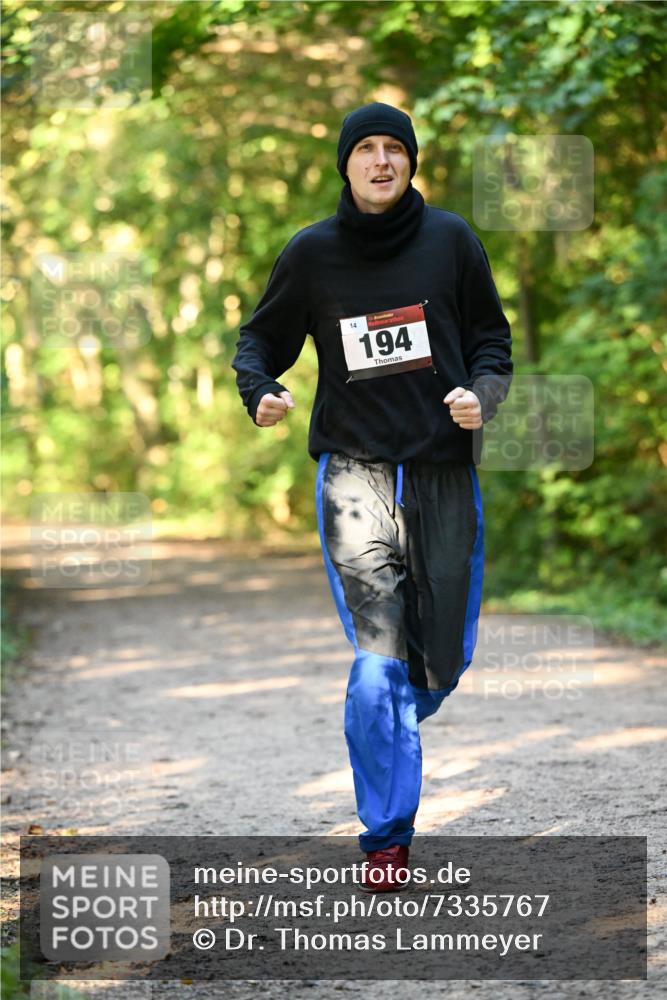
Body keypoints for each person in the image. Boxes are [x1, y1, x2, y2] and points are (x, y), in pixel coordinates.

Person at [232, 102, 513, 893]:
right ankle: (385, 839)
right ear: (346, 163)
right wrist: (260, 390)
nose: (381, 161)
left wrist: (482, 396)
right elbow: (259, 341)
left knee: (442, 660)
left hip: (441, 471)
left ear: (411, 162)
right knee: (378, 656)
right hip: (353, 476)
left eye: (395, 148)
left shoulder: (451, 240)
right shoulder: (311, 253)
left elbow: (491, 341)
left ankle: (384, 727)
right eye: (366, 149)